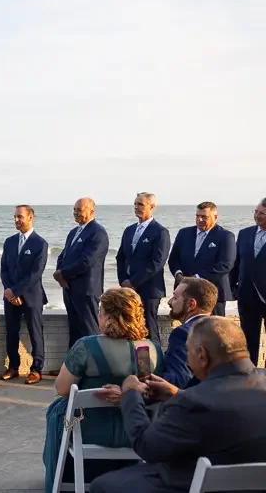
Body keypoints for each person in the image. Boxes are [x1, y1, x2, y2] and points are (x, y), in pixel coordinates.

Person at [89, 317, 266, 493]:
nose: (188, 362)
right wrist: (177, 394)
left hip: (193, 484)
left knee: (103, 485)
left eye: (188, 352)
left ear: (202, 355)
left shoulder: (193, 403)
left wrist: (130, 394)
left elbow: (147, 446)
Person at [42, 287, 162, 493]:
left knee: (57, 409)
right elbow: (151, 391)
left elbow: (62, 388)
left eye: (100, 311)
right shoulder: (150, 349)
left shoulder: (86, 346)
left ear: (107, 316)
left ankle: (61, 479)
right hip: (133, 431)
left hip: (90, 432)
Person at [0, 205, 48, 384]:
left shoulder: (40, 243)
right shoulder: (9, 241)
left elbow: (36, 273)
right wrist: (10, 291)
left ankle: (36, 369)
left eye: (20, 217)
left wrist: (17, 290)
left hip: (32, 296)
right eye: (15, 217)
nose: (16, 220)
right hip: (10, 296)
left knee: (35, 333)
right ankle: (13, 367)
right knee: (11, 332)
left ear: (30, 217)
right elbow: (4, 269)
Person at [115, 192, 170, 345]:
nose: (136, 207)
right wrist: (123, 281)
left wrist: (134, 281)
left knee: (148, 327)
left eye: (140, 204)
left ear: (152, 207)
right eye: (135, 204)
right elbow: (120, 257)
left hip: (150, 289)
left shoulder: (160, 232)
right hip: (129, 289)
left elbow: (157, 262)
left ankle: (156, 364)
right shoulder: (129, 230)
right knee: (130, 328)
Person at [54, 197, 110, 347]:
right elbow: (63, 255)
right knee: (74, 330)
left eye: (79, 210)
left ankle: (95, 367)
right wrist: (58, 271)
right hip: (69, 288)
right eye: (74, 210)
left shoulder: (98, 233)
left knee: (89, 330)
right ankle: (73, 367)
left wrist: (63, 274)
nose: (76, 213)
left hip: (86, 290)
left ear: (91, 211)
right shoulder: (74, 232)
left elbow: (87, 261)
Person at [167, 202, 235, 316]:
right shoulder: (184, 233)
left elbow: (225, 264)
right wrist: (178, 275)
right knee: (188, 330)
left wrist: (196, 278)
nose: (200, 219)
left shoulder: (225, 236)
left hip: (212, 295)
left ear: (215, 217)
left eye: (204, 217)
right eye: (197, 216)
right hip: (185, 293)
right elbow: (173, 259)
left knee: (213, 330)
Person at [161, 277, 216, 388]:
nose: (170, 302)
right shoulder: (222, 330)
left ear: (191, 304)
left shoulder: (182, 334)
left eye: (175, 297)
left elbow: (179, 379)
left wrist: (147, 380)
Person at [231, 197, 266, 367]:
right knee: (248, 341)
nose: (257, 216)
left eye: (262, 214)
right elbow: (236, 263)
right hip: (246, 298)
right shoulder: (245, 234)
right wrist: (234, 288)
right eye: (256, 212)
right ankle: (248, 379)